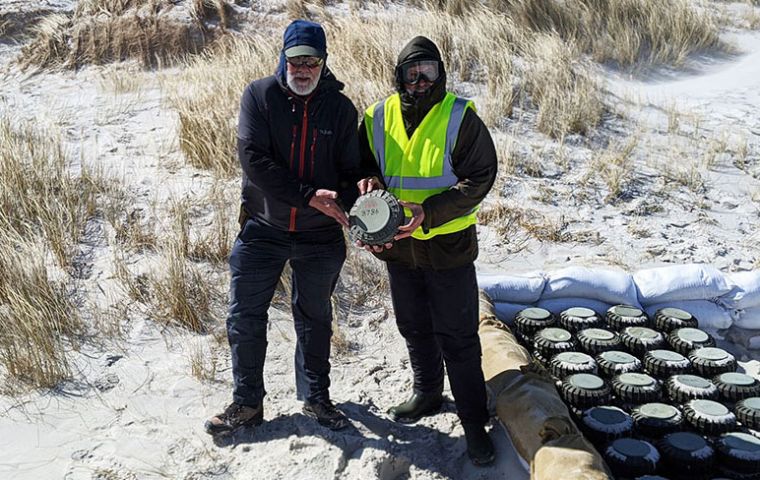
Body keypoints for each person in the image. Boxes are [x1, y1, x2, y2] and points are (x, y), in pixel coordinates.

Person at [205, 19, 360, 435]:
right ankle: (247, 404)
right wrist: (310, 195)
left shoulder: (341, 109)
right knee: (245, 316)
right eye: (296, 60)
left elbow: (349, 171)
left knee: (315, 317)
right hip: (262, 228)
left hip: (320, 235)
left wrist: (360, 195)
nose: (303, 69)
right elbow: (254, 162)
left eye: (311, 60)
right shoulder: (259, 96)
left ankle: (316, 399)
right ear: (283, 58)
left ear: (324, 63)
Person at [356, 36, 498, 466]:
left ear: (440, 73)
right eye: (410, 72)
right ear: (398, 76)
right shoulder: (377, 116)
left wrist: (430, 212)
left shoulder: (459, 116)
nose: (419, 80)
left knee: (458, 339)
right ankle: (428, 393)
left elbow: (480, 177)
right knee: (414, 327)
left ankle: (474, 424)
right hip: (399, 251)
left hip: (447, 248)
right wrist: (366, 185)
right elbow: (360, 167)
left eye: (428, 71)